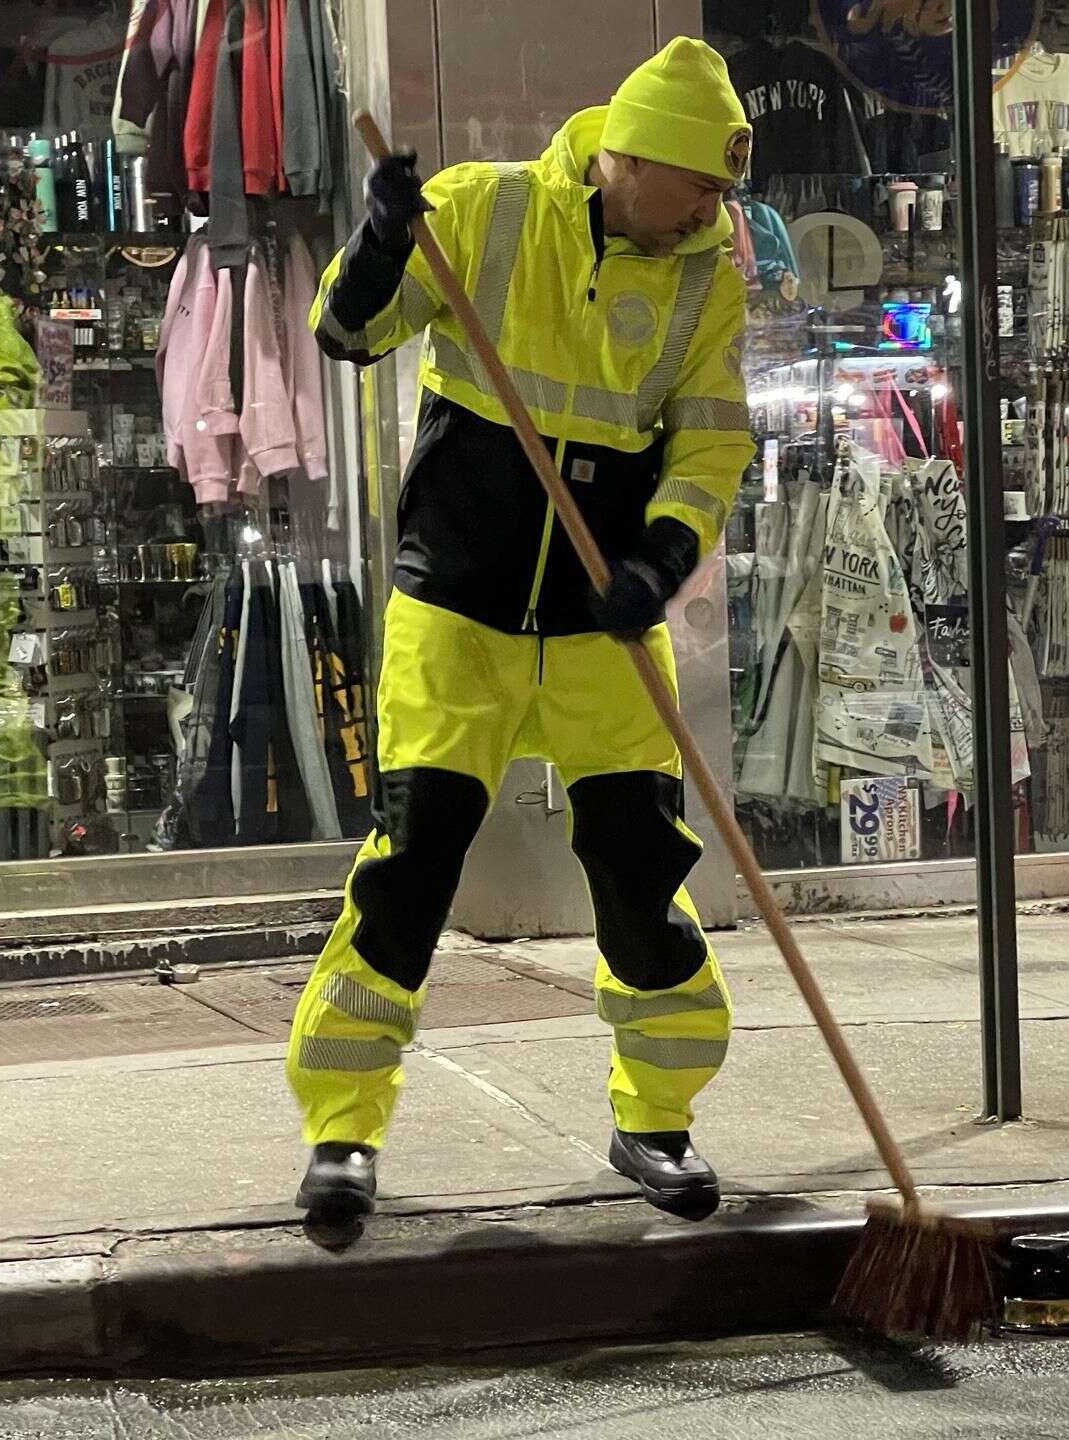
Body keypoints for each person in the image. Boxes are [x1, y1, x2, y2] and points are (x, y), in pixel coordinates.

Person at [284, 38, 754, 1222]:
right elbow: (347, 335)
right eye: (701, 181)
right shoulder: (481, 214)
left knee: (644, 878)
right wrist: (385, 239)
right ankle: (344, 1133)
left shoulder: (707, 273)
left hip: (606, 629)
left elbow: (710, 441)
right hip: (459, 614)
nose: (713, 207)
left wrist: (663, 557)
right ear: (630, 157)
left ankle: (657, 1120)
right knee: (409, 871)